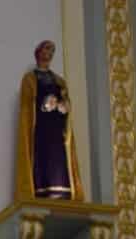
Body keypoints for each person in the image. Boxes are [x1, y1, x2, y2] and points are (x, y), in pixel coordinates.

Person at [15, 40, 84, 201]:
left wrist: (63, 107)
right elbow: (27, 107)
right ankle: (41, 188)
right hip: (41, 129)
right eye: (47, 49)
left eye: (52, 50)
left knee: (58, 158)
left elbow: (66, 102)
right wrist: (44, 105)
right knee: (43, 157)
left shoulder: (59, 81)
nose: (49, 53)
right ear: (38, 52)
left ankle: (63, 188)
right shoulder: (30, 79)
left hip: (56, 128)